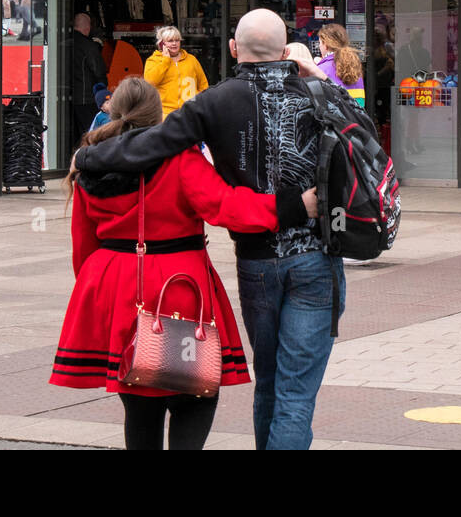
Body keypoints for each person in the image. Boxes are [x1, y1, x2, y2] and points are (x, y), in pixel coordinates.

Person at [73, 8, 358, 450]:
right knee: (267, 395)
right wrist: (295, 205)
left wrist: (88, 159)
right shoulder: (321, 94)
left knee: (163, 396)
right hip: (251, 268)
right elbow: (224, 204)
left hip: (231, 266)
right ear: (286, 51)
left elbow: (88, 238)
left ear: (232, 49)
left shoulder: (213, 102)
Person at [52, 77, 318, 450]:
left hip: (113, 281)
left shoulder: (89, 161)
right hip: (176, 283)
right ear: (158, 115)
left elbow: (83, 244)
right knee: (195, 392)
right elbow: (224, 206)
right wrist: (291, 206)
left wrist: (100, 293)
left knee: (139, 403)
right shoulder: (178, 158)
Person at [144, 25, 208, 117]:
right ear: (161, 44)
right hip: (164, 113)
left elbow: (203, 84)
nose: (174, 43)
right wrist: (166, 60)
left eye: (177, 40)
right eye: (170, 41)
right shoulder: (153, 61)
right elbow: (150, 82)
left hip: (190, 111)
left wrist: (200, 103)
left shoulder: (191, 59)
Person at [70, 12, 108, 142]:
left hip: (67, 97)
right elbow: (99, 71)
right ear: (88, 27)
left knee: (74, 134)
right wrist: (103, 94)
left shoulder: (63, 43)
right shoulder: (89, 46)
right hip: (86, 98)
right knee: (89, 132)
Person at [315, 23, 365, 105]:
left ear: (326, 45)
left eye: (320, 43)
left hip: (334, 117)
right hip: (356, 116)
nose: (319, 46)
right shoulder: (354, 66)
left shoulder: (320, 69)